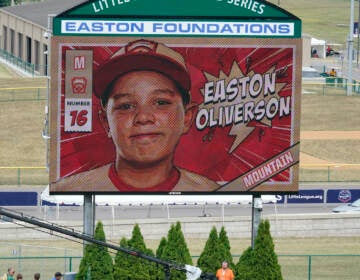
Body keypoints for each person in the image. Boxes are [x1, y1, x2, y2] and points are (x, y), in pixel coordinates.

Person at [53, 39, 219, 193]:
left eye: (161, 102)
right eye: (126, 106)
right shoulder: (69, 189)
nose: (143, 117)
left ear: (187, 117)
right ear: (105, 122)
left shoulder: (212, 191)